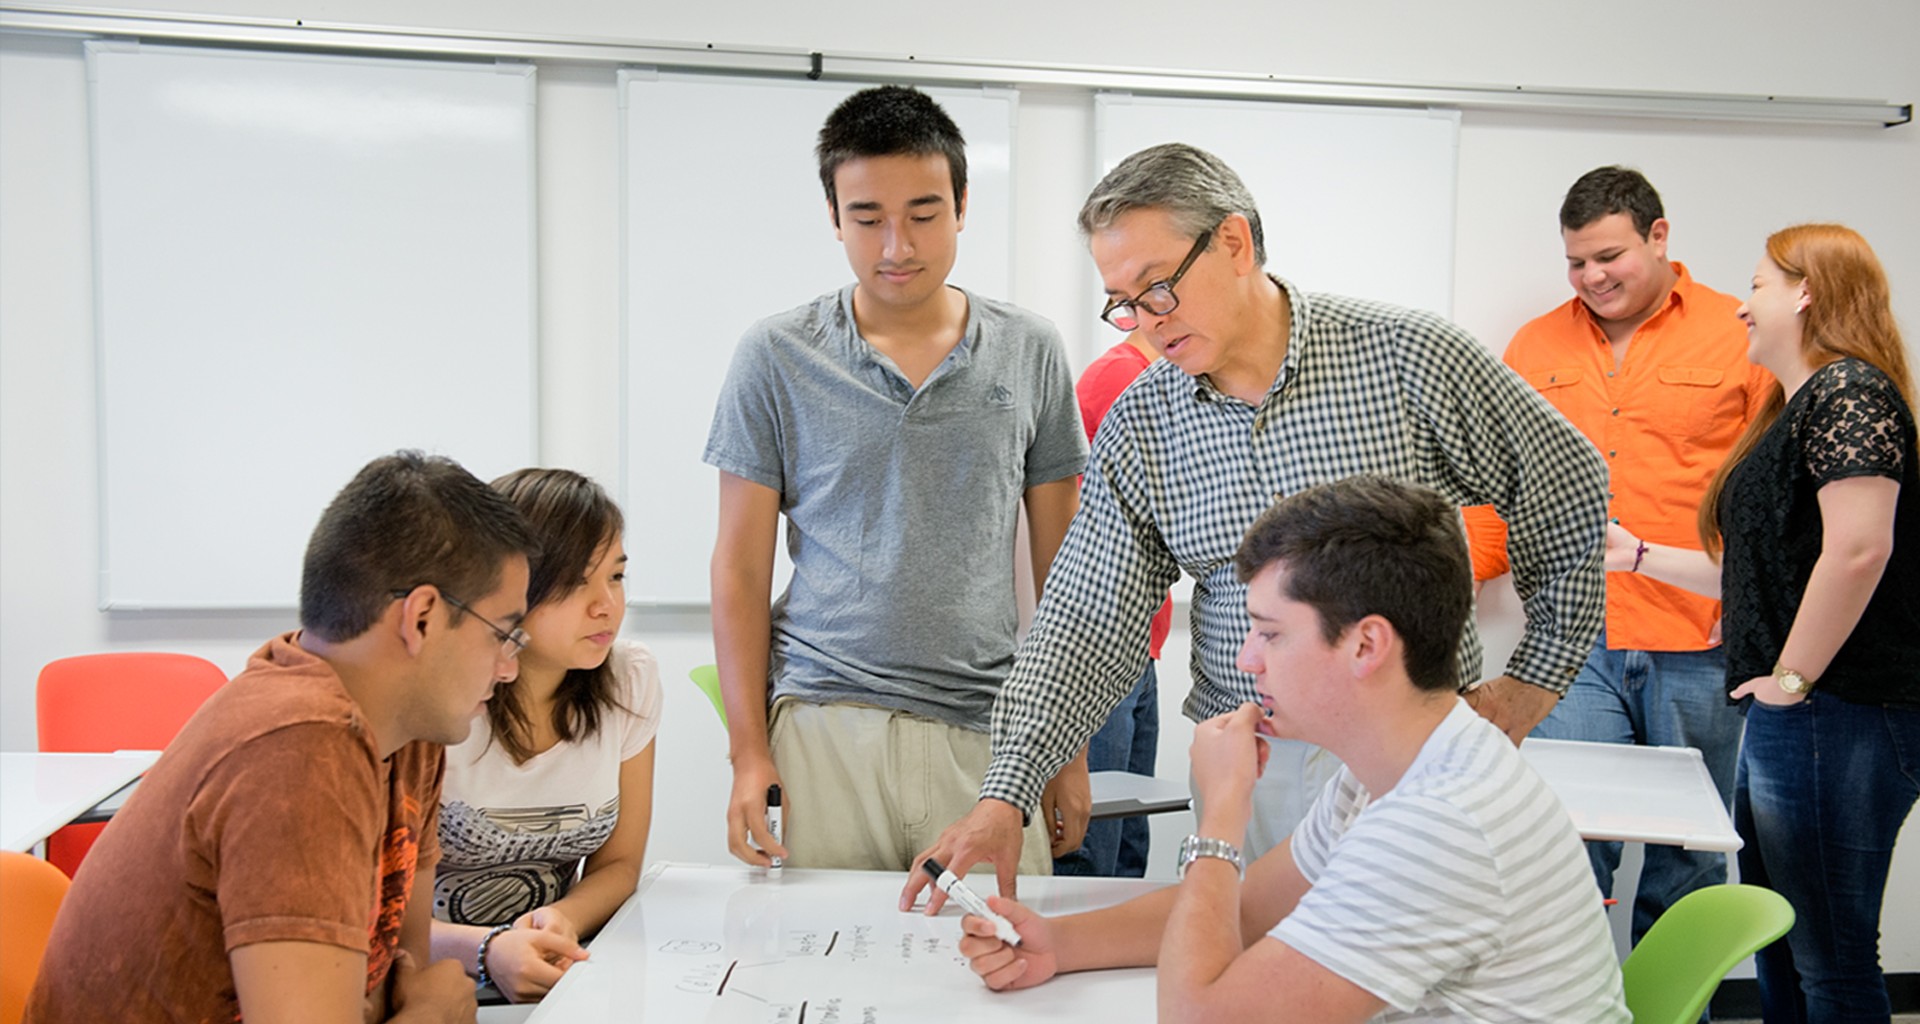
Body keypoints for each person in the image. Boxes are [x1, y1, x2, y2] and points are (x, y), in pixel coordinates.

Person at [905, 142, 1608, 906]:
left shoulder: (1406, 357)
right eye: (1123, 303)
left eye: (1158, 289)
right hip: (1252, 770)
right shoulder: (1146, 420)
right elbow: (1086, 615)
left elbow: (1567, 487)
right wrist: (1006, 791)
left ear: (1234, 243)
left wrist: (1534, 681)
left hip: (1411, 764)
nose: (1144, 324)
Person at [957, 475, 1628, 1022]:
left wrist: (1222, 817)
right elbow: (1251, 909)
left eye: (1271, 634)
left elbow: (1199, 1017)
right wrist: (1059, 943)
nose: (1247, 660)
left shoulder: (1439, 823)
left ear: (1367, 645)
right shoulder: (1401, 761)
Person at [704, 85, 1087, 875]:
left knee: (994, 978)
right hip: (823, 721)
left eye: (922, 213)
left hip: (991, 732)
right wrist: (749, 752)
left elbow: (1064, 570)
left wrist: (1067, 745)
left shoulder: (1031, 349)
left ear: (962, 205)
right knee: (820, 975)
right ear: (834, 218)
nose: (896, 245)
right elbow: (740, 568)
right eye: (868, 217)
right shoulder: (776, 354)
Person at [25, 451, 537, 1024]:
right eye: (504, 634)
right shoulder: (301, 748)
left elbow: (401, 971)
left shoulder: (409, 727)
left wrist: (419, 1004)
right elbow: (422, 998)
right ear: (422, 619)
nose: (508, 668)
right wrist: (435, 1015)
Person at [1609, 224, 1919, 1022]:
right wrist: (1637, 554)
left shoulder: (1851, 392)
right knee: (1785, 945)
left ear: (1806, 291)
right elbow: (1764, 573)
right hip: (1805, 712)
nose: (1743, 308)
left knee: (1831, 957)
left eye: (1756, 286)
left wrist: (1791, 679)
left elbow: (1857, 550)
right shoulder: (1800, 406)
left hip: (1838, 710)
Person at [1460, 166, 1773, 942]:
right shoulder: (1535, 344)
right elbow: (1501, 494)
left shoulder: (1740, 332)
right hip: (1573, 642)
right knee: (1565, 842)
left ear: (1658, 236)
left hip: (1702, 640)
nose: (1592, 276)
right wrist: (1422, 595)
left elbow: (1769, 499)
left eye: (1609, 256)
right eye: (1576, 261)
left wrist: (1755, 614)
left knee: (1690, 855)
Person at [429, 468, 660, 1003]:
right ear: (511, 586)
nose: (607, 605)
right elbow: (371, 914)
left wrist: (559, 919)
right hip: (435, 985)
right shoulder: (440, 702)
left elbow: (621, 864)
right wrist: (490, 949)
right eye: (577, 583)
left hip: (560, 978)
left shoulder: (631, 679)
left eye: (617, 577)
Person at [1053, 329, 1167, 879]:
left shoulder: (1170, 378)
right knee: (1092, 844)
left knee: (1126, 840)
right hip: (1106, 641)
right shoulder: (1122, 379)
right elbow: (1075, 518)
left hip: (1142, 646)